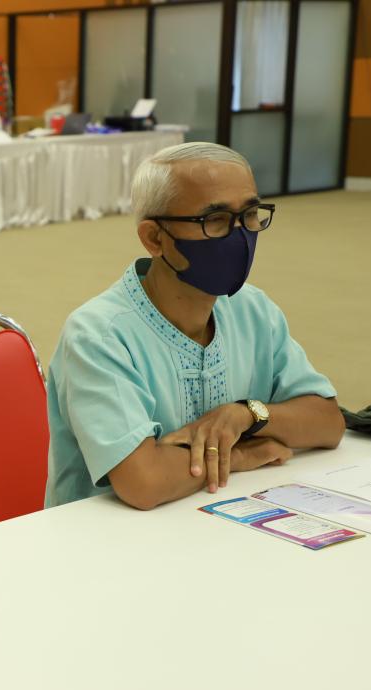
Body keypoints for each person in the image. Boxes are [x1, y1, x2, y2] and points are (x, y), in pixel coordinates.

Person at [45, 142, 344, 510]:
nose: (240, 234)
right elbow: (144, 482)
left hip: (221, 520)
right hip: (108, 537)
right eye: (215, 219)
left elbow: (328, 423)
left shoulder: (253, 309)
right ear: (155, 238)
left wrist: (247, 415)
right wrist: (240, 455)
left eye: (250, 214)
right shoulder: (99, 334)